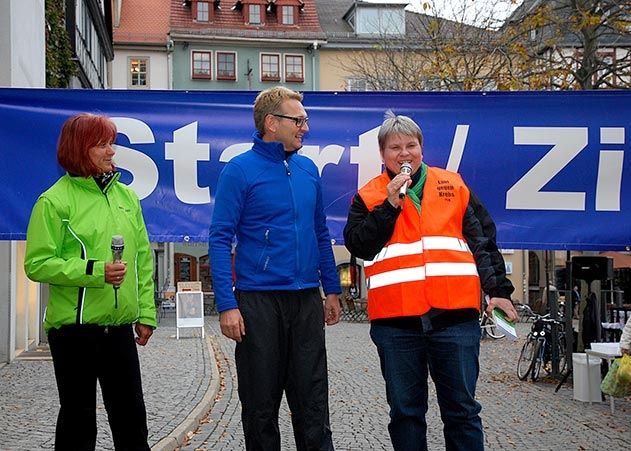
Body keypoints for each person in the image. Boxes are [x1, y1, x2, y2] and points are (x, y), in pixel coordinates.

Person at [343, 111, 517, 451]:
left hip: (454, 318)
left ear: (422, 148)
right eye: (395, 148)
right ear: (382, 155)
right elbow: (358, 243)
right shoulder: (369, 195)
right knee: (406, 413)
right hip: (396, 322)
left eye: (411, 145)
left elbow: (482, 240)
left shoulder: (453, 184)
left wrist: (498, 291)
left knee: (462, 411)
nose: (404, 154)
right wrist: (389, 206)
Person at [208, 86, 342, 451]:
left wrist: (331, 289)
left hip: (305, 302)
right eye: (298, 120)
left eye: (305, 120)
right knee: (260, 407)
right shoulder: (240, 170)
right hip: (258, 303)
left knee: (313, 404)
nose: (305, 128)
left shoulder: (308, 168)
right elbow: (220, 240)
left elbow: (319, 231)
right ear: (271, 122)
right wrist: (227, 305)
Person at [24, 113, 156, 451]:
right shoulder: (53, 201)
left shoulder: (127, 197)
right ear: (80, 149)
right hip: (73, 331)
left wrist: (146, 314)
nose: (112, 151)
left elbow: (142, 258)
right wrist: (95, 271)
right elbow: (37, 264)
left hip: (120, 327)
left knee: (131, 421)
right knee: (78, 423)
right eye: (102, 144)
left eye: (111, 143)